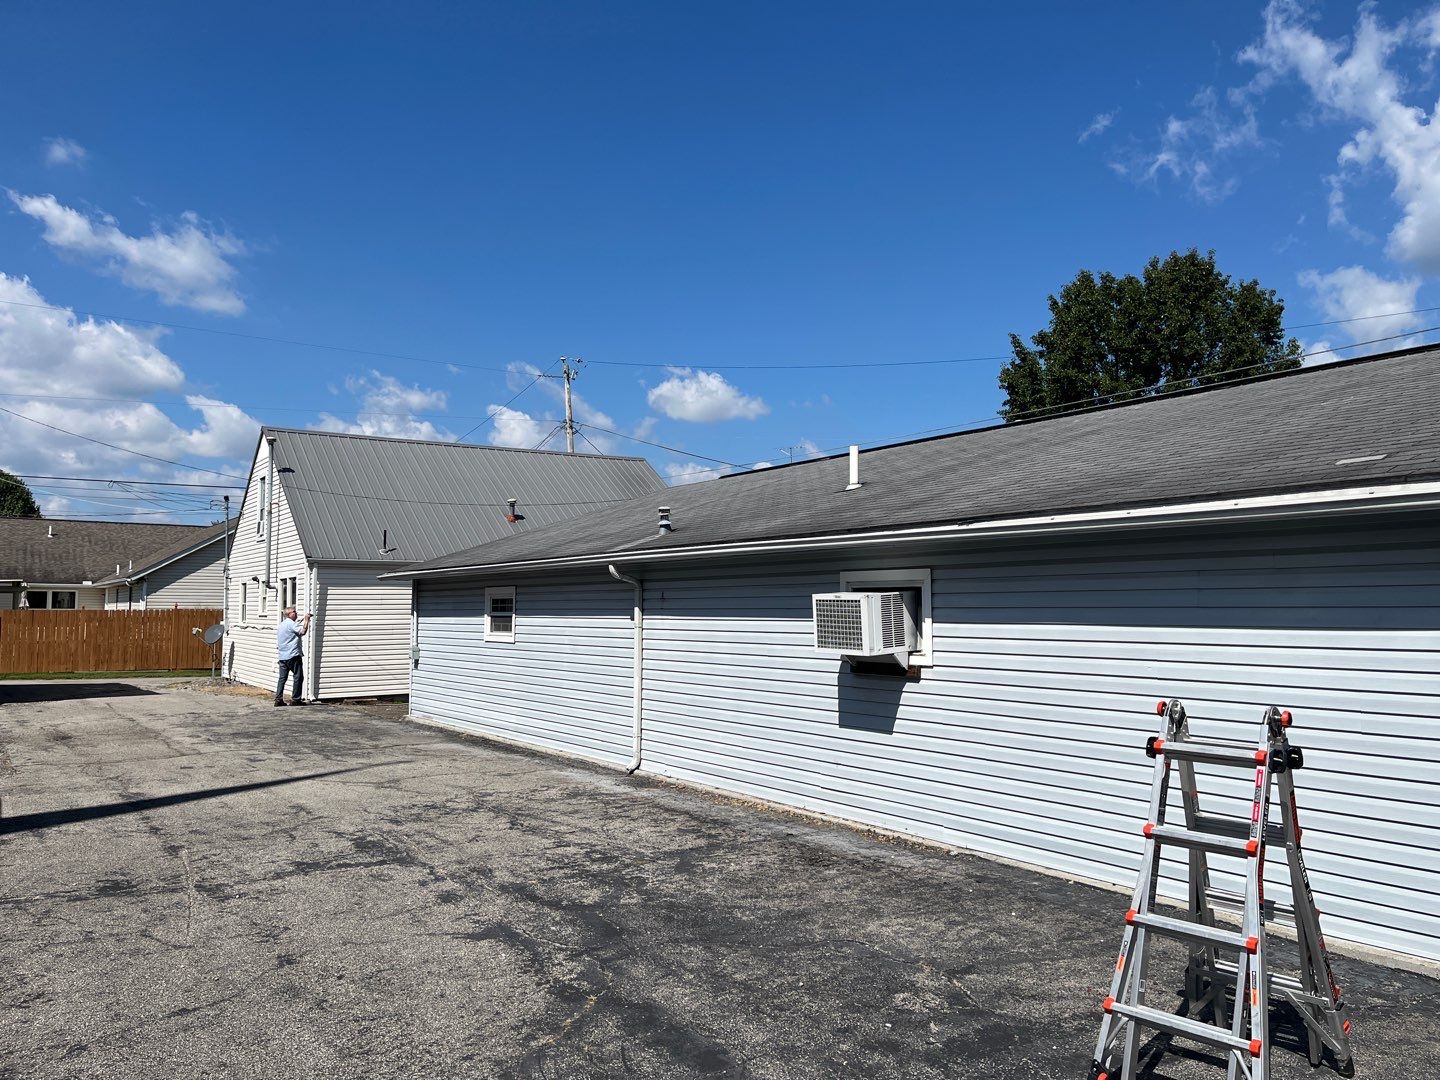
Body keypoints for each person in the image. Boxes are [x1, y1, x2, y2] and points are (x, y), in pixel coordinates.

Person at [275, 606, 314, 706]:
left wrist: (301, 620)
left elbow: (294, 629)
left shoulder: (282, 625)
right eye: (294, 612)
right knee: (298, 677)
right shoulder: (291, 624)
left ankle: (278, 699)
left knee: (282, 679)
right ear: (289, 614)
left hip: (282, 656)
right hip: (293, 655)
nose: (296, 613)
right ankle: (296, 699)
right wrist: (307, 620)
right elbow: (302, 631)